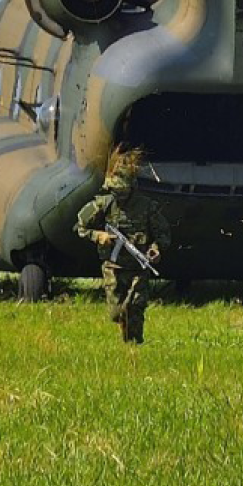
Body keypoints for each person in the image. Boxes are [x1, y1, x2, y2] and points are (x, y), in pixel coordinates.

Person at [74, 146, 171, 344]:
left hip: (138, 265)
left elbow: (163, 233)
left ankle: (134, 344)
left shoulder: (146, 207)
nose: (119, 195)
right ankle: (126, 333)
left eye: (123, 191)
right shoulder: (103, 204)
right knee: (117, 312)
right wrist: (98, 235)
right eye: (116, 190)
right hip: (113, 266)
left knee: (136, 306)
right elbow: (79, 226)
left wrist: (156, 249)